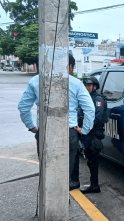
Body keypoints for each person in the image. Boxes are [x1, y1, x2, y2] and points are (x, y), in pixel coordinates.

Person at [17, 54, 95, 190]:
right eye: (72, 67)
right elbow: (90, 109)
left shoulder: (36, 80)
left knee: (47, 170)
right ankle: (62, 202)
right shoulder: (76, 83)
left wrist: (32, 127)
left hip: (45, 131)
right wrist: (85, 130)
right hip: (69, 132)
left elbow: (23, 107)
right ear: (69, 66)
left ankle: (47, 204)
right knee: (65, 173)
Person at [79, 76, 107, 194]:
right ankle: (93, 184)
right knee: (90, 160)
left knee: (93, 161)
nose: (87, 87)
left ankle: (95, 186)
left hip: (93, 134)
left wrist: (84, 126)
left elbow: (98, 118)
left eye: (89, 85)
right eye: (85, 85)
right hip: (87, 133)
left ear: (94, 86)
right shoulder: (87, 97)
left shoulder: (98, 99)